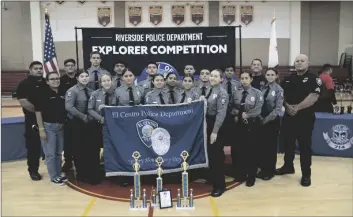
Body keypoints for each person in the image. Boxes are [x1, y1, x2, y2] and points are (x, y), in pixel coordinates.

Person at [276, 54, 322, 187]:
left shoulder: (315, 79)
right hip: (289, 117)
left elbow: (313, 96)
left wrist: (297, 108)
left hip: (305, 118)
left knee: (304, 147)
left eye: (302, 61)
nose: (299, 63)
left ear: (308, 63)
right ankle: (288, 166)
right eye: (297, 61)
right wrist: (287, 106)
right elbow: (281, 95)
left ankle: (306, 174)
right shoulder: (288, 79)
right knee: (288, 144)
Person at [34, 72, 68, 185]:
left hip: (61, 127)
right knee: (50, 154)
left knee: (58, 152)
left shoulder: (62, 92)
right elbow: (38, 112)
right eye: (52, 79)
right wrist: (41, 129)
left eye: (57, 78)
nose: (55, 81)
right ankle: (53, 177)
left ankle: (58, 174)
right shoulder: (42, 93)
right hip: (48, 127)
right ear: (47, 81)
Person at [231, 71, 263, 187]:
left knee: (251, 151)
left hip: (252, 125)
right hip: (239, 125)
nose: (244, 80)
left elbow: (258, 109)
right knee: (239, 150)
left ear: (251, 79)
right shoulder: (236, 93)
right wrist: (239, 114)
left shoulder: (257, 93)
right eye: (242, 78)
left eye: (246, 78)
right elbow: (232, 107)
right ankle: (241, 174)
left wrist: (247, 115)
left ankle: (251, 176)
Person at [65, 70, 98, 184]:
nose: (84, 78)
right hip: (77, 123)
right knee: (79, 149)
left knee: (89, 149)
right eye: (82, 76)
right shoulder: (72, 91)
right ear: (77, 78)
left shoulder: (91, 91)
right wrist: (83, 116)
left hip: (89, 123)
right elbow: (69, 107)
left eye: (86, 76)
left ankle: (91, 172)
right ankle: (81, 173)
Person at [16, 61, 45, 181]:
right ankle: (33, 170)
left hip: (48, 118)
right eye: (36, 68)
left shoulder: (45, 82)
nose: (39, 70)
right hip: (32, 118)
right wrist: (39, 112)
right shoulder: (24, 84)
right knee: (33, 146)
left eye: (40, 68)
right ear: (30, 70)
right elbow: (24, 102)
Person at [204, 69, 229, 197]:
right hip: (208, 123)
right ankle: (213, 179)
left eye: (215, 76)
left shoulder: (222, 93)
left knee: (217, 156)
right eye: (211, 75)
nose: (212, 78)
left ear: (221, 79)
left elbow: (221, 113)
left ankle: (220, 186)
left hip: (216, 126)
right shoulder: (209, 89)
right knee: (211, 155)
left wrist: (215, 132)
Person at [257, 68, 284, 181]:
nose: (270, 76)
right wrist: (259, 117)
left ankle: (270, 170)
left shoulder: (279, 90)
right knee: (263, 146)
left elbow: (277, 109)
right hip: (261, 119)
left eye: (272, 74)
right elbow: (258, 103)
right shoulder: (262, 88)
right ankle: (263, 168)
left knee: (271, 147)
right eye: (268, 74)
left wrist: (266, 120)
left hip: (272, 121)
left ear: (277, 76)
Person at [60, 58, 77, 172]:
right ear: (65, 67)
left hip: (79, 113)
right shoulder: (61, 80)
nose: (70, 67)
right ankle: (68, 161)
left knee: (79, 139)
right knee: (68, 139)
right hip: (66, 115)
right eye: (67, 65)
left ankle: (79, 159)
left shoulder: (80, 78)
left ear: (75, 67)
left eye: (72, 65)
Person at [219, 65, 241, 150]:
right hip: (223, 113)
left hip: (234, 113)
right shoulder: (220, 84)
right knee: (222, 136)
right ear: (224, 73)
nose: (229, 72)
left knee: (234, 137)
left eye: (231, 70)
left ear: (234, 73)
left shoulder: (238, 84)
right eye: (227, 70)